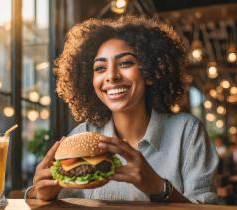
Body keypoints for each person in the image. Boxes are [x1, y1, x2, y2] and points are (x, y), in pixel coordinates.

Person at [28, 16, 219, 203]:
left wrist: (159, 188)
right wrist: (41, 194)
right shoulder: (82, 134)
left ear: (151, 73)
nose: (111, 76)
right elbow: (68, 201)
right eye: (100, 68)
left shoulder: (187, 132)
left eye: (125, 63)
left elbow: (207, 206)